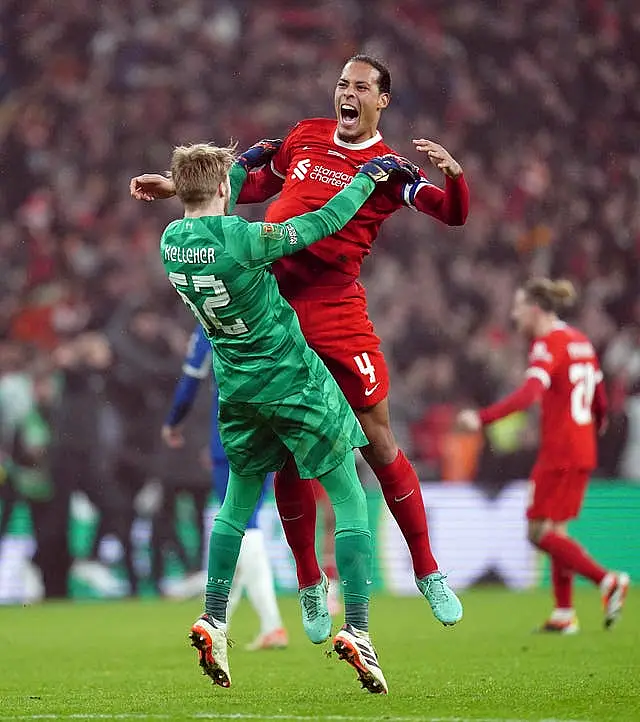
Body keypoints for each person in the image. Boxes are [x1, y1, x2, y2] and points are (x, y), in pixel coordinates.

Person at [131, 54, 467, 633]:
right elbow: (250, 183)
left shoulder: (390, 168)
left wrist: (456, 178)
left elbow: (451, 214)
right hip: (279, 312)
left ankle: (428, 570)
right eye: (342, 83)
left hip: (337, 310)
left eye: (361, 86)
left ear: (381, 100)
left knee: (378, 437)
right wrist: (178, 190)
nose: (348, 92)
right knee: (285, 450)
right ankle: (310, 583)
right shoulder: (305, 136)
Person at [158, 141, 420, 692]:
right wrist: (366, 179)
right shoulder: (245, 240)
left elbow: (206, 197)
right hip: (291, 379)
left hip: (237, 390)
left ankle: (215, 617)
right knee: (348, 493)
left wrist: (230, 166)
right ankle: (360, 628)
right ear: (227, 189)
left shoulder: (170, 243)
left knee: (235, 502)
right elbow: (322, 222)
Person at [456, 279, 630, 634]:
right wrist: (594, 425)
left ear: (535, 309)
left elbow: (529, 394)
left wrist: (482, 417)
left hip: (561, 452)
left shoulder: (547, 344)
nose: (514, 314)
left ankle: (606, 579)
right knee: (557, 531)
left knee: (537, 533)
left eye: (518, 307)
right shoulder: (581, 341)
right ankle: (564, 613)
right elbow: (600, 402)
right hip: (581, 450)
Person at [162, 323, 288, 651]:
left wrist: (174, 420)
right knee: (248, 523)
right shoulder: (263, 309)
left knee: (242, 525)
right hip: (270, 429)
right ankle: (221, 618)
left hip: (230, 435)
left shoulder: (207, 322)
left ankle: (271, 623)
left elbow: (191, 378)